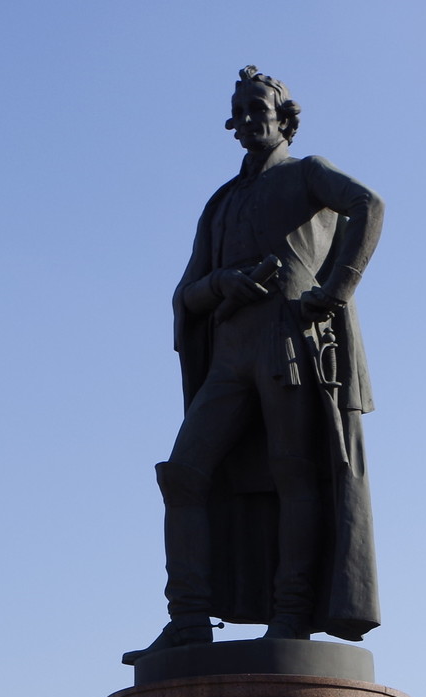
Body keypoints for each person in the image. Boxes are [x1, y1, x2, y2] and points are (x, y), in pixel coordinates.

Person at [126, 66, 385, 661]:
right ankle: (187, 619)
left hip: (289, 342)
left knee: (295, 472)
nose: (246, 120)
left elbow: (368, 205)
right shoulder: (222, 201)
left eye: (256, 108)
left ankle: (291, 614)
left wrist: (337, 289)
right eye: (237, 111)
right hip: (230, 352)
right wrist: (223, 282)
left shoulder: (307, 174)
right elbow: (187, 292)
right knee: (185, 474)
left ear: (283, 116)